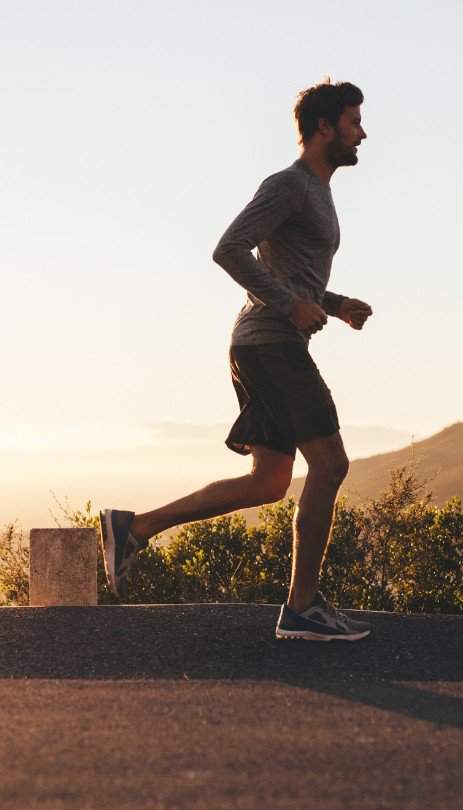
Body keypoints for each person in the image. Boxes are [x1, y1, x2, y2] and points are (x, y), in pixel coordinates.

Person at [100, 80, 374, 641]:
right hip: (268, 343)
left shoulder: (318, 192)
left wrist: (331, 302)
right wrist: (291, 304)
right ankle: (302, 609)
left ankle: (136, 528)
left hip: (271, 341)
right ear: (325, 128)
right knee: (331, 464)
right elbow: (228, 249)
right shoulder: (289, 185)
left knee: (271, 481)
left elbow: (291, 276)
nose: (362, 134)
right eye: (353, 123)